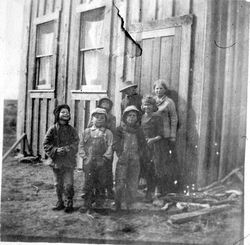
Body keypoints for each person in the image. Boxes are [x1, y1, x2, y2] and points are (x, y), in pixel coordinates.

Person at [43, 104, 79, 213]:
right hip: (56, 162)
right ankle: (59, 202)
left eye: (67, 112)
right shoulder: (52, 129)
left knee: (68, 184)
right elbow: (46, 143)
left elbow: (76, 142)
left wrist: (69, 149)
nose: (66, 114)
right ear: (57, 114)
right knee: (57, 184)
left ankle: (69, 202)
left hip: (68, 162)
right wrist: (55, 150)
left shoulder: (72, 130)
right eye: (63, 112)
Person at [113, 105, 149, 211]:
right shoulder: (119, 129)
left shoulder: (139, 131)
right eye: (129, 115)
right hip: (123, 159)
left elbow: (143, 145)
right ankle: (118, 204)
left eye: (134, 115)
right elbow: (115, 143)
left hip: (135, 159)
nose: (132, 117)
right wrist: (120, 153)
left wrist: (140, 155)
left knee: (132, 183)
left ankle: (130, 205)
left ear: (137, 118)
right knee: (120, 182)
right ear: (125, 117)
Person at [79, 108, 113, 213]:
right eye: (96, 117)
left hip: (101, 161)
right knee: (88, 182)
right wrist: (84, 157)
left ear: (105, 120)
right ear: (92, 119)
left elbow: (110, 146)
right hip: (89, 161)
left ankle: (99, 204)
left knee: (101, 182)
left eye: (102, 118)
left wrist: (105, 158)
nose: (99, 119)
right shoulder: (87, 131)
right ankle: (87, 203)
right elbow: (81, 145)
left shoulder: (107, 133)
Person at [86, 97, 116, 199]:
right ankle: (91, 191)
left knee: (107, 170)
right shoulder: (94, 114)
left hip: (106, 144)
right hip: (94, 147)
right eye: (103, 103)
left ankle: (109, 189)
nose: (105, 105)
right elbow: (89, 127)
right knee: (92, 170)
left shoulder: (111, 117)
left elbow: (112, 130)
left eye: (107, 103)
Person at [153, 79, 178, 195]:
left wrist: (172, 136)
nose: (158, 90)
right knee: (151, 161)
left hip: (164, 136)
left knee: (162, 161)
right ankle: (151, 187)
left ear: (165, 90)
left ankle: (162, 188)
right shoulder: (151, 101)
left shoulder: (169, 102)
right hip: (152, 135)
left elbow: (174, 119)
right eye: (156, 88)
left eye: (161, 88)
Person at [141, 96, 165, 202]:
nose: (147, 107)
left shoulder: (157, 118)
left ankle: (154, 192)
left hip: (155, 146)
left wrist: (152, 139)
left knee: (154, 168)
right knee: (145, 168)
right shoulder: (141, 118)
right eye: (145, 104)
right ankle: (147, 190)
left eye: (149, 105)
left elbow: (161, 134)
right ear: (142, 106)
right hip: (144, 147)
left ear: (153, 106)